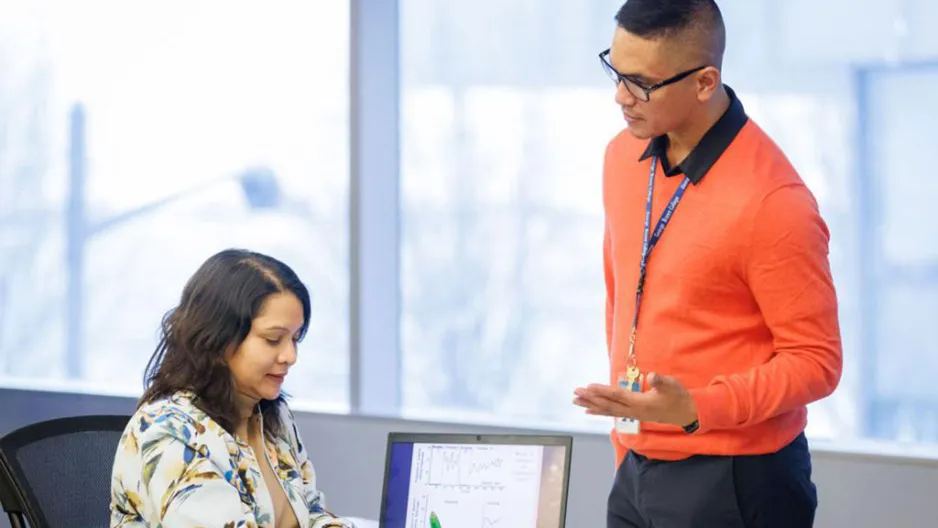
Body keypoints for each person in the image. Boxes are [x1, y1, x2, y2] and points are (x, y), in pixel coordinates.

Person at [572, 1, 843, 527]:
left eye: (640, 82)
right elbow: (625, 301)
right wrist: (631, 444)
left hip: (738, 478)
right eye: (615, 70)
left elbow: (817, 361)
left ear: (704, 82)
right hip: (636, 465)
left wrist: (698, 407)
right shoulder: (620, 158)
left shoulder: (774, 201)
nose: (620, 97)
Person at [110, 249, 356, 528]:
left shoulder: (274, 416)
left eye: (295, 339)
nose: (290, 356)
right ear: (217, 338)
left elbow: (311, 512)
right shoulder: (168, 430)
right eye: (273, 339)